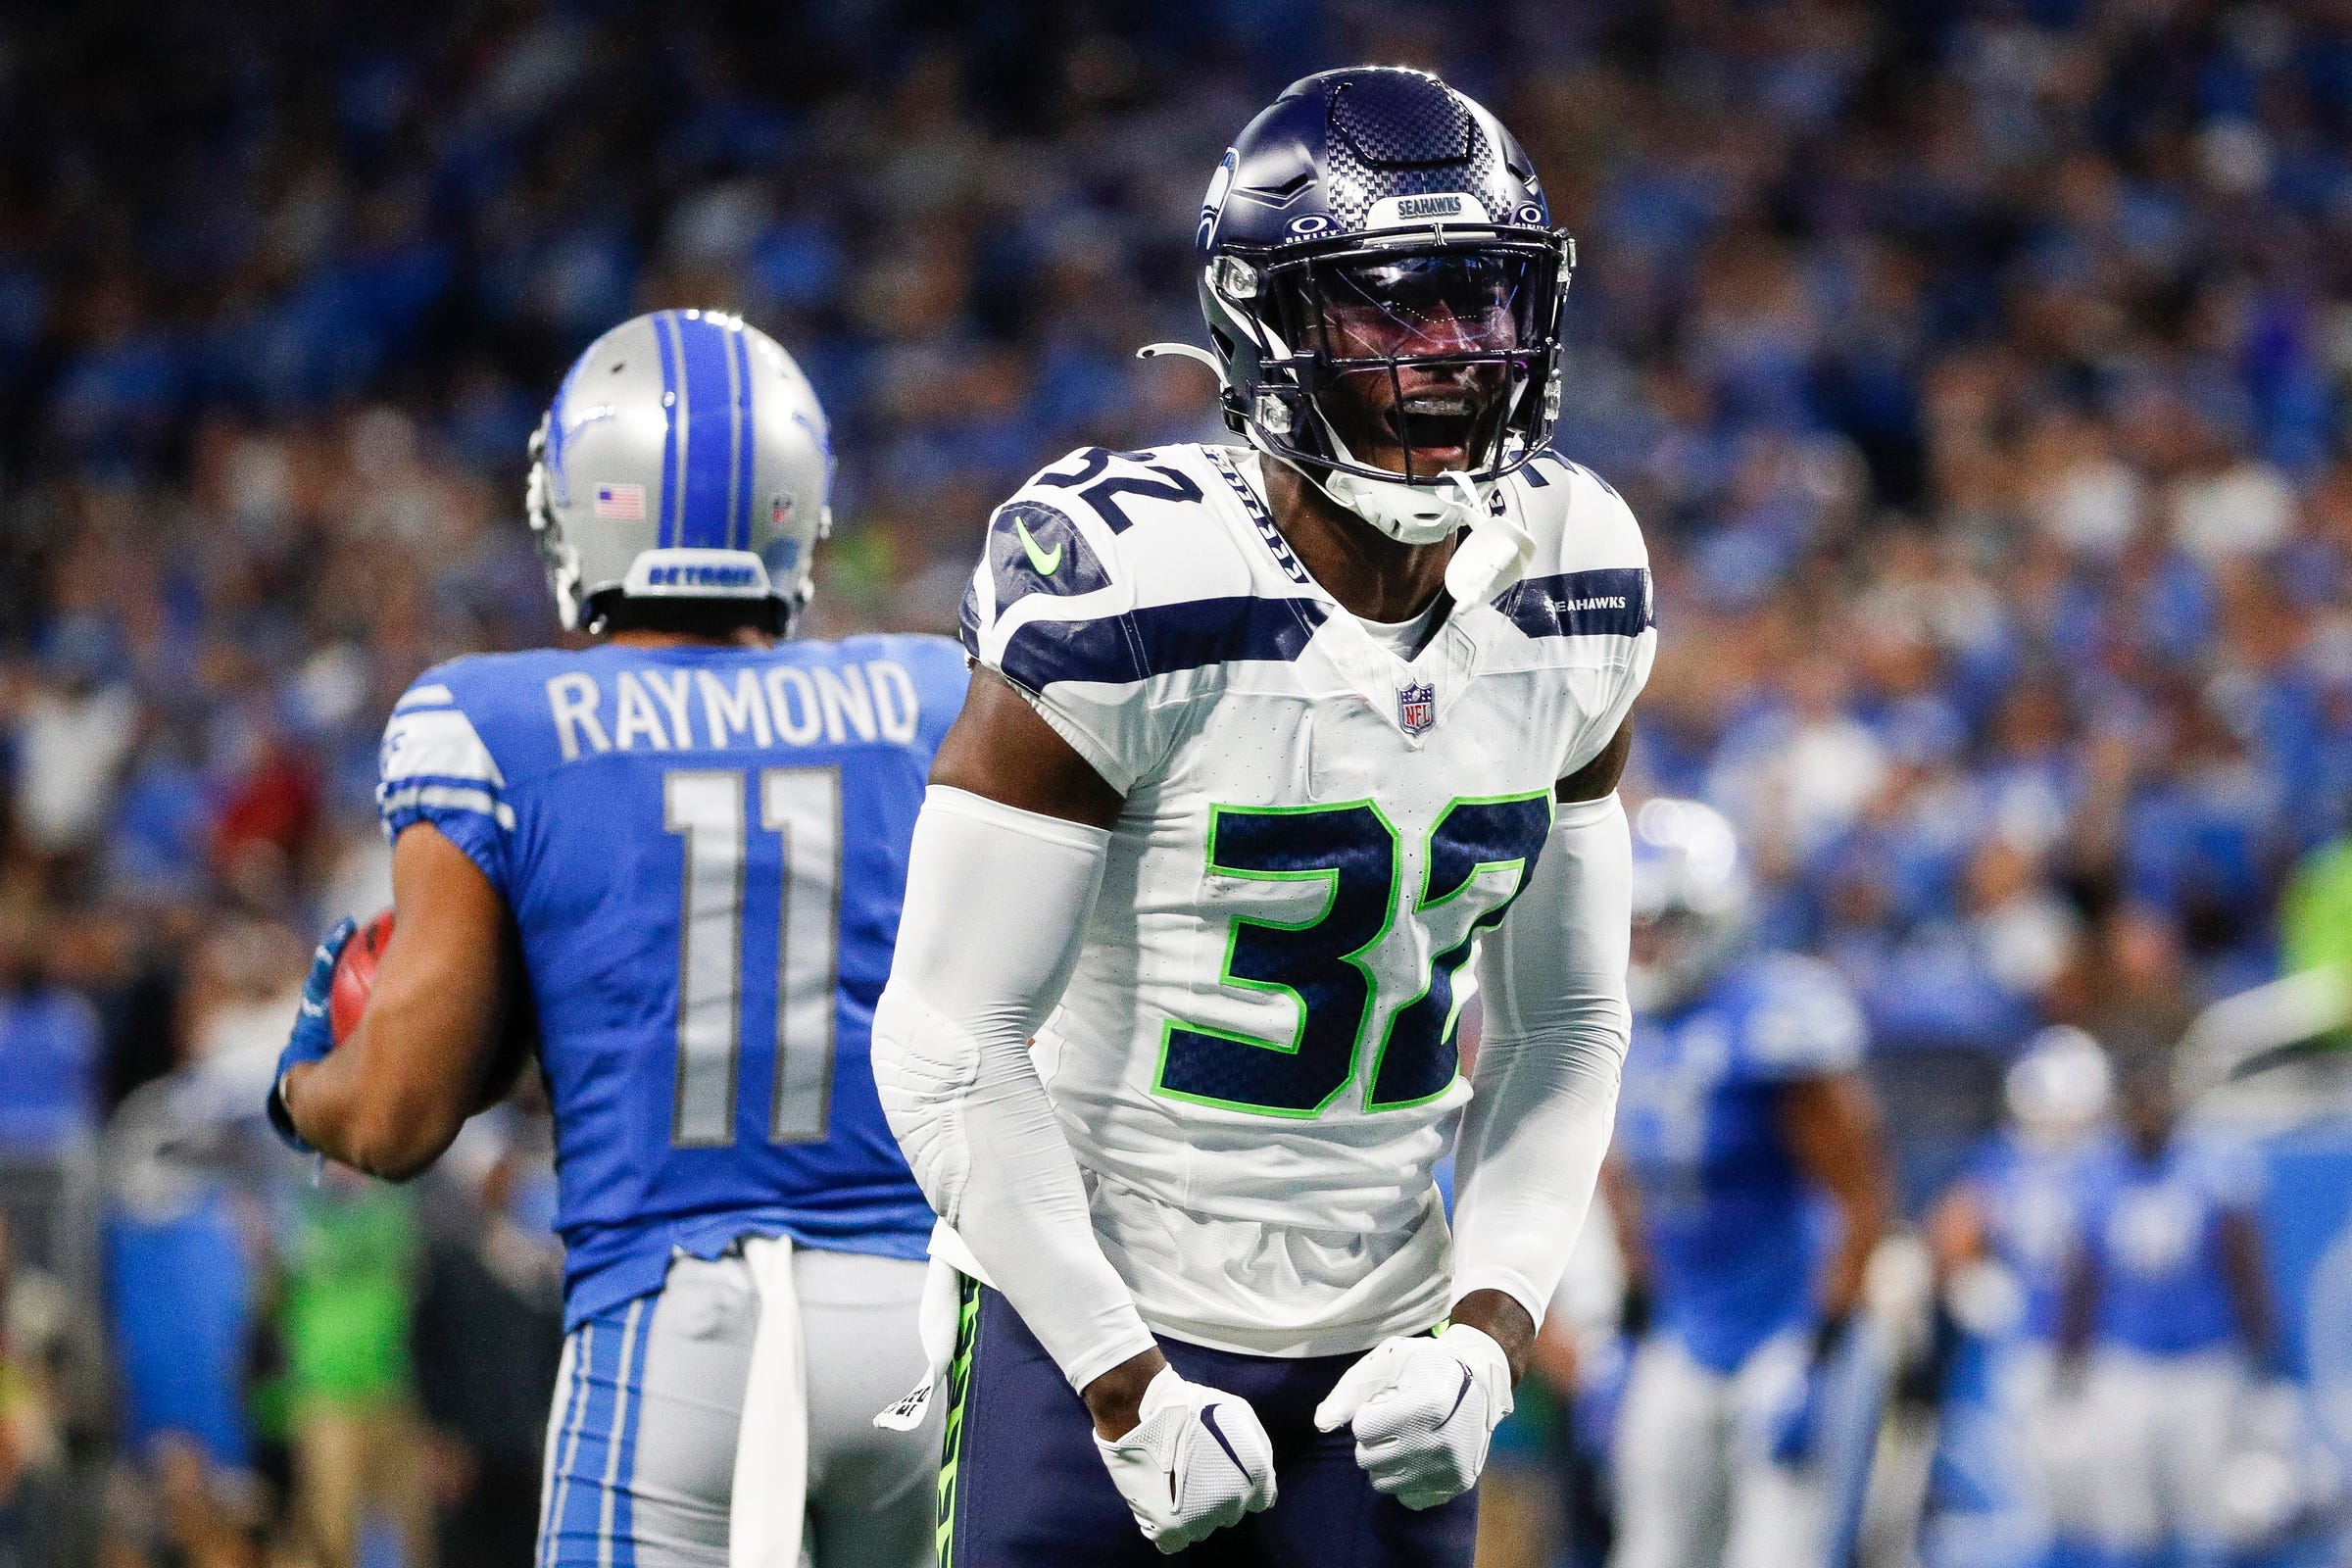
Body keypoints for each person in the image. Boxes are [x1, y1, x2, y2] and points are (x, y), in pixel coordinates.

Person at [872, 66, 1653, 1566]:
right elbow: (944, 1039)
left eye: (1481, 302)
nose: (1450, 357)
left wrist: (1485, 1340)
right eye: (1391, 309)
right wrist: (1123, 1388)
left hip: (1392, 1351)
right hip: (1090, 1319)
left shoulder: (1577, 567)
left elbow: (1567, 1028)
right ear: (1271, 326)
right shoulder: (1132, 581)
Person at [266, 309, 963, 1568]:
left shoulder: (495, 719)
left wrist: (308, 1081)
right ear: (796, 505)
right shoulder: (927, 692)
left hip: (675, 1321)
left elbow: (398, 1117)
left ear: (584, 503)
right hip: (918, 1326)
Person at [1601, 798, 1892, 1568]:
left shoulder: (1775, 1014)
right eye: (1636, 925)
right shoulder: (1623, 1025)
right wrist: (1630, 1329)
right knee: (1651, 1552)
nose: (1648, 944)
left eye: (1663, 923)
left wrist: (1825, 1346)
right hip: (1687, 1327)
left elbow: (1860, 1195)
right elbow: (1623, 1185)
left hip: (1788, 1325)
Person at [2057, 1049, 2287, 1568]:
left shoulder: (2214, 1167)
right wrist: (2067, 1370)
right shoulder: (2095, 1175)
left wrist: (2268, 1366)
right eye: (2137, 1099)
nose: (2147, 1110)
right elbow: (2080, 1282)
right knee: (2127, 1517)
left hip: (2205, 1362)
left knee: (2208, 1517)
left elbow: (2247, 1272)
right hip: (2124, 1366)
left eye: (2156, 1096)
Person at [1924, 1027, 2113, 1568]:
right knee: (2024, 1494)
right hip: (2024, 1351)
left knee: (2104, 1506)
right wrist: (1967, 1277)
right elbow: (1954, 1228)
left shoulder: (2113, 1160)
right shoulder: (2006, 1160)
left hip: (2108, 1355)